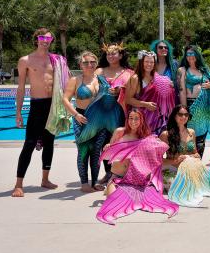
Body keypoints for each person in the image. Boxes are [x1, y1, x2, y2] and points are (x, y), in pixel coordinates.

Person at [12, 27, 71, 197]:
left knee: (50, 141)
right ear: (36, 39)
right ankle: (18, 184)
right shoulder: (26, 60)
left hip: (53, 105)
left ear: (51, 40)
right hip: (37, 105)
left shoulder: (57, 60)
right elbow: (21, 88)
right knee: (29, 143)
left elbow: (67, 82)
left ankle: (45, 179)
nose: (45, 41)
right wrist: (18, 113)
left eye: (48, 38)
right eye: (42, 38)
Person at [96, 108, 178, 225]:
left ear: (142, 120)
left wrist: (173, 161)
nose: (133, 121)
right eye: (130, 118)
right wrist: (109, 146)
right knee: (112, 201)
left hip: (136, 181)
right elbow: (112, 150)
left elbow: (155, 158)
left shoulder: (145, 138)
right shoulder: (120, 132)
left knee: (147, 201)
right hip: (117, 177)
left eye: (136, 118)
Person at [61, 51, 111, 192]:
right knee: (83, 151)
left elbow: (107, 98)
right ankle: (84, 183)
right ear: (80, 65)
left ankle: (94, 182)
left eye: (92, 62)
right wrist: (76, 115)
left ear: (96, 63)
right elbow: (65, 99)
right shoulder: (75, 80)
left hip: (99, 120)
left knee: (96, 152)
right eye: (86, 62)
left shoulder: (101, 79)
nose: (89, 65)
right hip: (81, 118)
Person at [95, 42, 134, 182]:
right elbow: (91, 89)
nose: (110, 56)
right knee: (104, 143)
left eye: (114, 53)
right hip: (102, 112)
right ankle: (108, 172)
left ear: (121, 55)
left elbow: (135, 92)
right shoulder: (99, 71)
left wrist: (121, 90)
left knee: (120, 141)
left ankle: (120, 170)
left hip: (121, 112)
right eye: (108, 53)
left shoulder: (129, 73)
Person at [178, 45, 210, 155]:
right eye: (188, 54)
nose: (190, 56)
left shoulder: (205, 69)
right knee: (193, 135)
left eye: (193, 54)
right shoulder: (182, 70)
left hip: (208, 106)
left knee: (207, 137)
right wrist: (184, 109)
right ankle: (191, 163)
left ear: (197, 55)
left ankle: (202, 163)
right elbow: (182, 91)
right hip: (192, 105)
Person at [126, 50, 175, 134]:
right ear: (141, 62)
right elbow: (128, 100)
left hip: (157, 117)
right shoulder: (136, 78)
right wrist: (146, 104)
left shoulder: (158, 78)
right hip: (141, 118)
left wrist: (169, 86)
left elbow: (164, 94)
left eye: (151, 62)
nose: (149, 64)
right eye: (146, 62)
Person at [159, 105, 198, 191]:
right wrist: (174, 161)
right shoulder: (166, 135)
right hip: (171, 168)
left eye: (186, 115)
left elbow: (196, 153)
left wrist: (192, 157)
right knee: (179, 187)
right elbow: (157, 160)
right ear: (174, 116)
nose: (183, 117)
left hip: (188, 169)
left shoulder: (191, 132)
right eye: (180, 114)